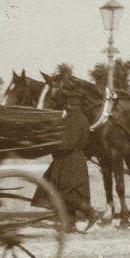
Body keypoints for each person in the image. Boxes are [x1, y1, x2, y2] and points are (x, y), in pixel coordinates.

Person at [33, 89, 98, 232]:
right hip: (67, 160)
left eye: (66, 103)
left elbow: (69, 143)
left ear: (72, 104)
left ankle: (90, 213)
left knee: (64, 192)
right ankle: (70, 225)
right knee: (66, 191)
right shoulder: (74, 117)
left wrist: (51, 146)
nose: (64, 106)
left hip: (70, 160)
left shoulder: (76, 119)